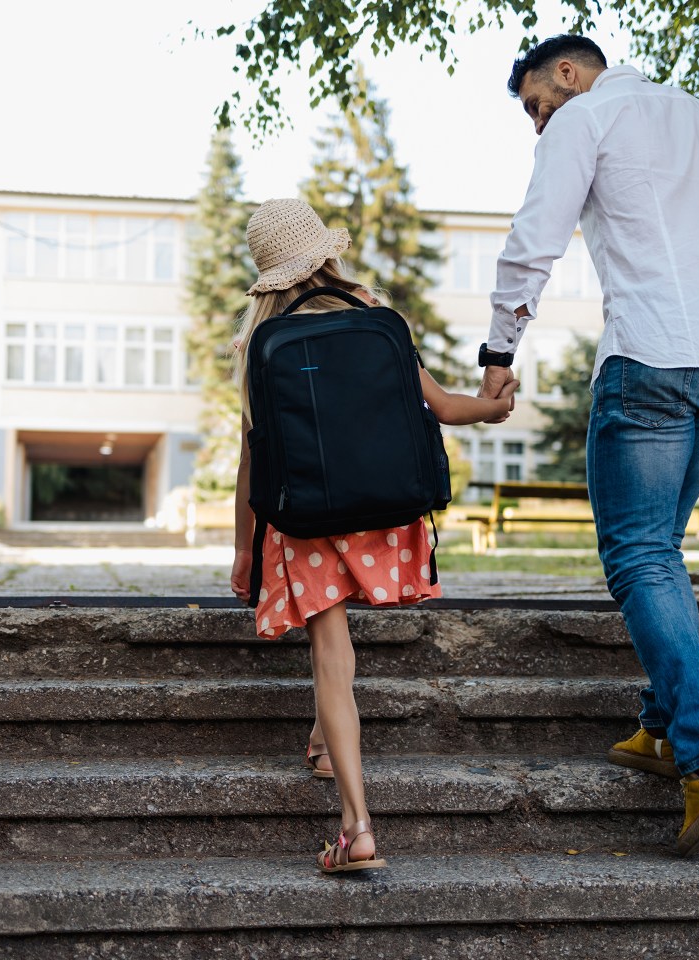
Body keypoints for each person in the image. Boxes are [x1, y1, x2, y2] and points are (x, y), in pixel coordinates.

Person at [479, 35, 699, 856]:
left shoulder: (586, 118)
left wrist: (498, 350)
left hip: (653, 358)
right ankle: (661, 726)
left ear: (568, 73)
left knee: (636, 555)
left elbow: (535, 238)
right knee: (659, 548)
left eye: (536, 105)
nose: (539, 124)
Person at [230, 197, 518, 873]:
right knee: (338, 659)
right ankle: (325, 745)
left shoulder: (261, 341)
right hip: (380, 512)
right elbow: (440, 406)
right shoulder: (370, 314)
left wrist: (245, 549)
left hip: (303, 522)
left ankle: (357, 826)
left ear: (267, 276)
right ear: (325, 254)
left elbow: (251, 459)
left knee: (331, 656)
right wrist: (493, 407)